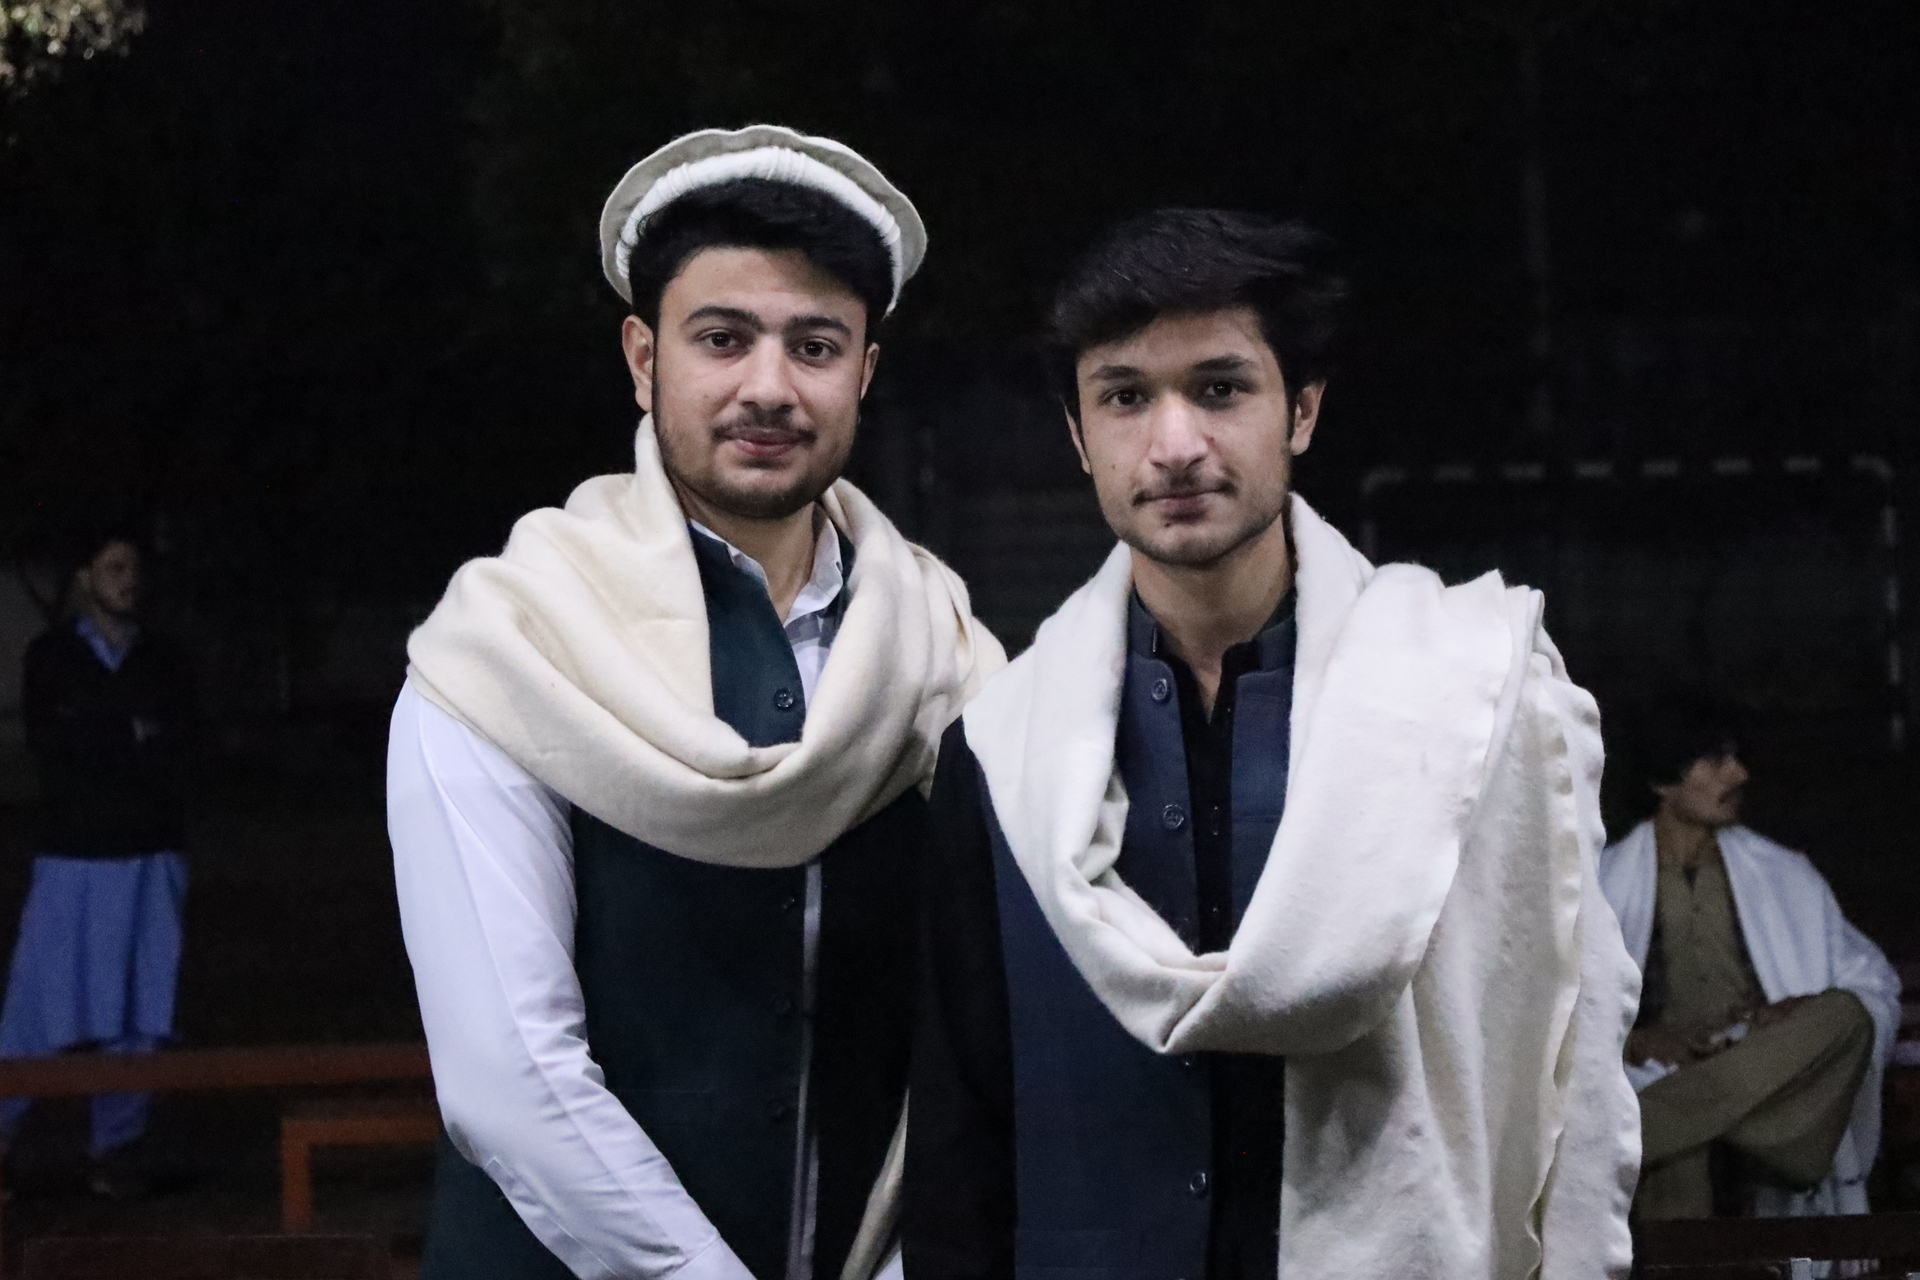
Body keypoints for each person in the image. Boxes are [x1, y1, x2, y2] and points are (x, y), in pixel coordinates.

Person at [903, 209, 1641, 1280]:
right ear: (1078, 435)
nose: (1175, 445)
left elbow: (1561, 1049)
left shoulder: (1469, 699)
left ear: (1301, 409)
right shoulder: (1002, 747)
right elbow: (960, 1119)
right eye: (1124, 397)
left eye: (1219, 388)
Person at [388, 125, 1002, 1280]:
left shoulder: (952, 658)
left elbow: (987, 1035)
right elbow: (508, 1077)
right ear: (643, 358)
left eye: (814, 345)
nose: (769, 386)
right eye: (722, 338)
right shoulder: (509, 645)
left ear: (865, 370)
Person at [1599, 698, 1899, 1221]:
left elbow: (1872, 984)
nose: (1739, 774)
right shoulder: (1600, 884)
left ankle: (1647, 1130)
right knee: (1680, 1148)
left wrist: (1797, 1010)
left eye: (1737, 758)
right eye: (1716, 760)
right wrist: (1637, 1041)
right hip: (1656, 1072)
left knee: (1846, 1013)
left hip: (1770, 1073)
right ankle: (1687, 1122)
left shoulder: (1785, 875)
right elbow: (1557, 1014)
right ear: (1662, 782)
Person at [2, 526, 194, 1194]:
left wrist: (103, 731)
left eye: (134, 567)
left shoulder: (165, 658)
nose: (128, 579)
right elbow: (54, 747)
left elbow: (181, 749)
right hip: (75, 854)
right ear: (85, 577)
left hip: (151, 855)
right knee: (39, 999)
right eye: (114, 567)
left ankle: (116, 1150)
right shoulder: (51, 655)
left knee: (143, 1005)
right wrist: (130, 734)